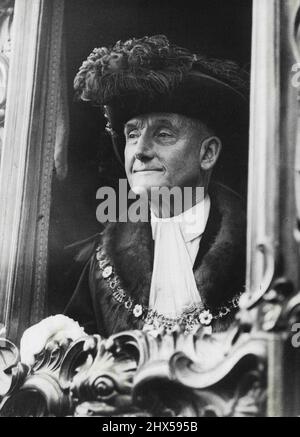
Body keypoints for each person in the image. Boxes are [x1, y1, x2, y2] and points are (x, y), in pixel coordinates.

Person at [20, 35, 248, 365]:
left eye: (164, 133)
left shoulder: (262, 250)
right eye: (131, 134)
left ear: (208, 153)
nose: (139, 151)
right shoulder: (100, 262)